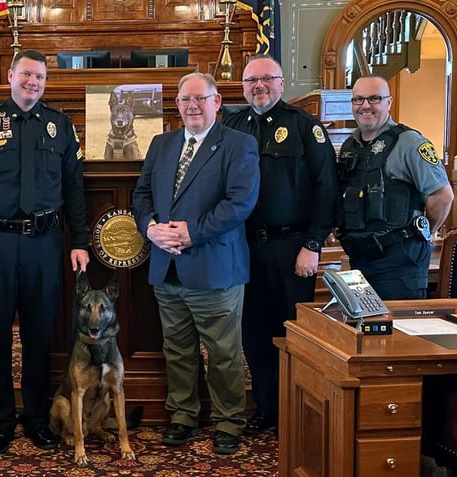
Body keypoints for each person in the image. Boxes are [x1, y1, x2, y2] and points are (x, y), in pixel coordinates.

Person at [0, 50, 89, 455]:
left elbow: (74, 190)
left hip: (45, 243)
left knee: (41, 334)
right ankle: (1, 421)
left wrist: (80, 241)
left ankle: (38, 419)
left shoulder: (60, 127)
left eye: (40, 76)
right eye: (26, 74)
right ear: (11, 75)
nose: (33, 82)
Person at [132, 72, 259, 454]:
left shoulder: (239, 145)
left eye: (199, 99)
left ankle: (228, 421)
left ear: (216, 102)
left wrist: (192, 232)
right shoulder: (162, 143)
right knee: (178, 350)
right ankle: (183, 415)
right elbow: (142, 195)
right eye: (185, 100)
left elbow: (240, 203)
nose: (191, 106)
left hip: (214, 266)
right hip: (166, 268)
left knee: (222, 352)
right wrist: (150, 228)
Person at [223, 55, 338, 436]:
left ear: (281, 82)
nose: (259, 86)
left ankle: (297, 408)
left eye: (266, 79)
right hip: (243, 248)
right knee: (253, 332)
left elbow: (326, 187)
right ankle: (267, 408)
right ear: (242, 86)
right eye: (251, 80)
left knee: (293, 333)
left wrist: (314, 243)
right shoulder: (231, 125)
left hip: (292, 248)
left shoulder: (305, 127)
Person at [336, 74, 453, 300]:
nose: (365, 106)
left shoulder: (410, 143)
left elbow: (443, 196)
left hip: (400, 264)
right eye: (358, 100)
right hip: (360, 262)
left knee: (398, 332)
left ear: (389, 102)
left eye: (374, 99)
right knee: (363, 332)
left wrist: (422, 232)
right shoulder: (351, 145)